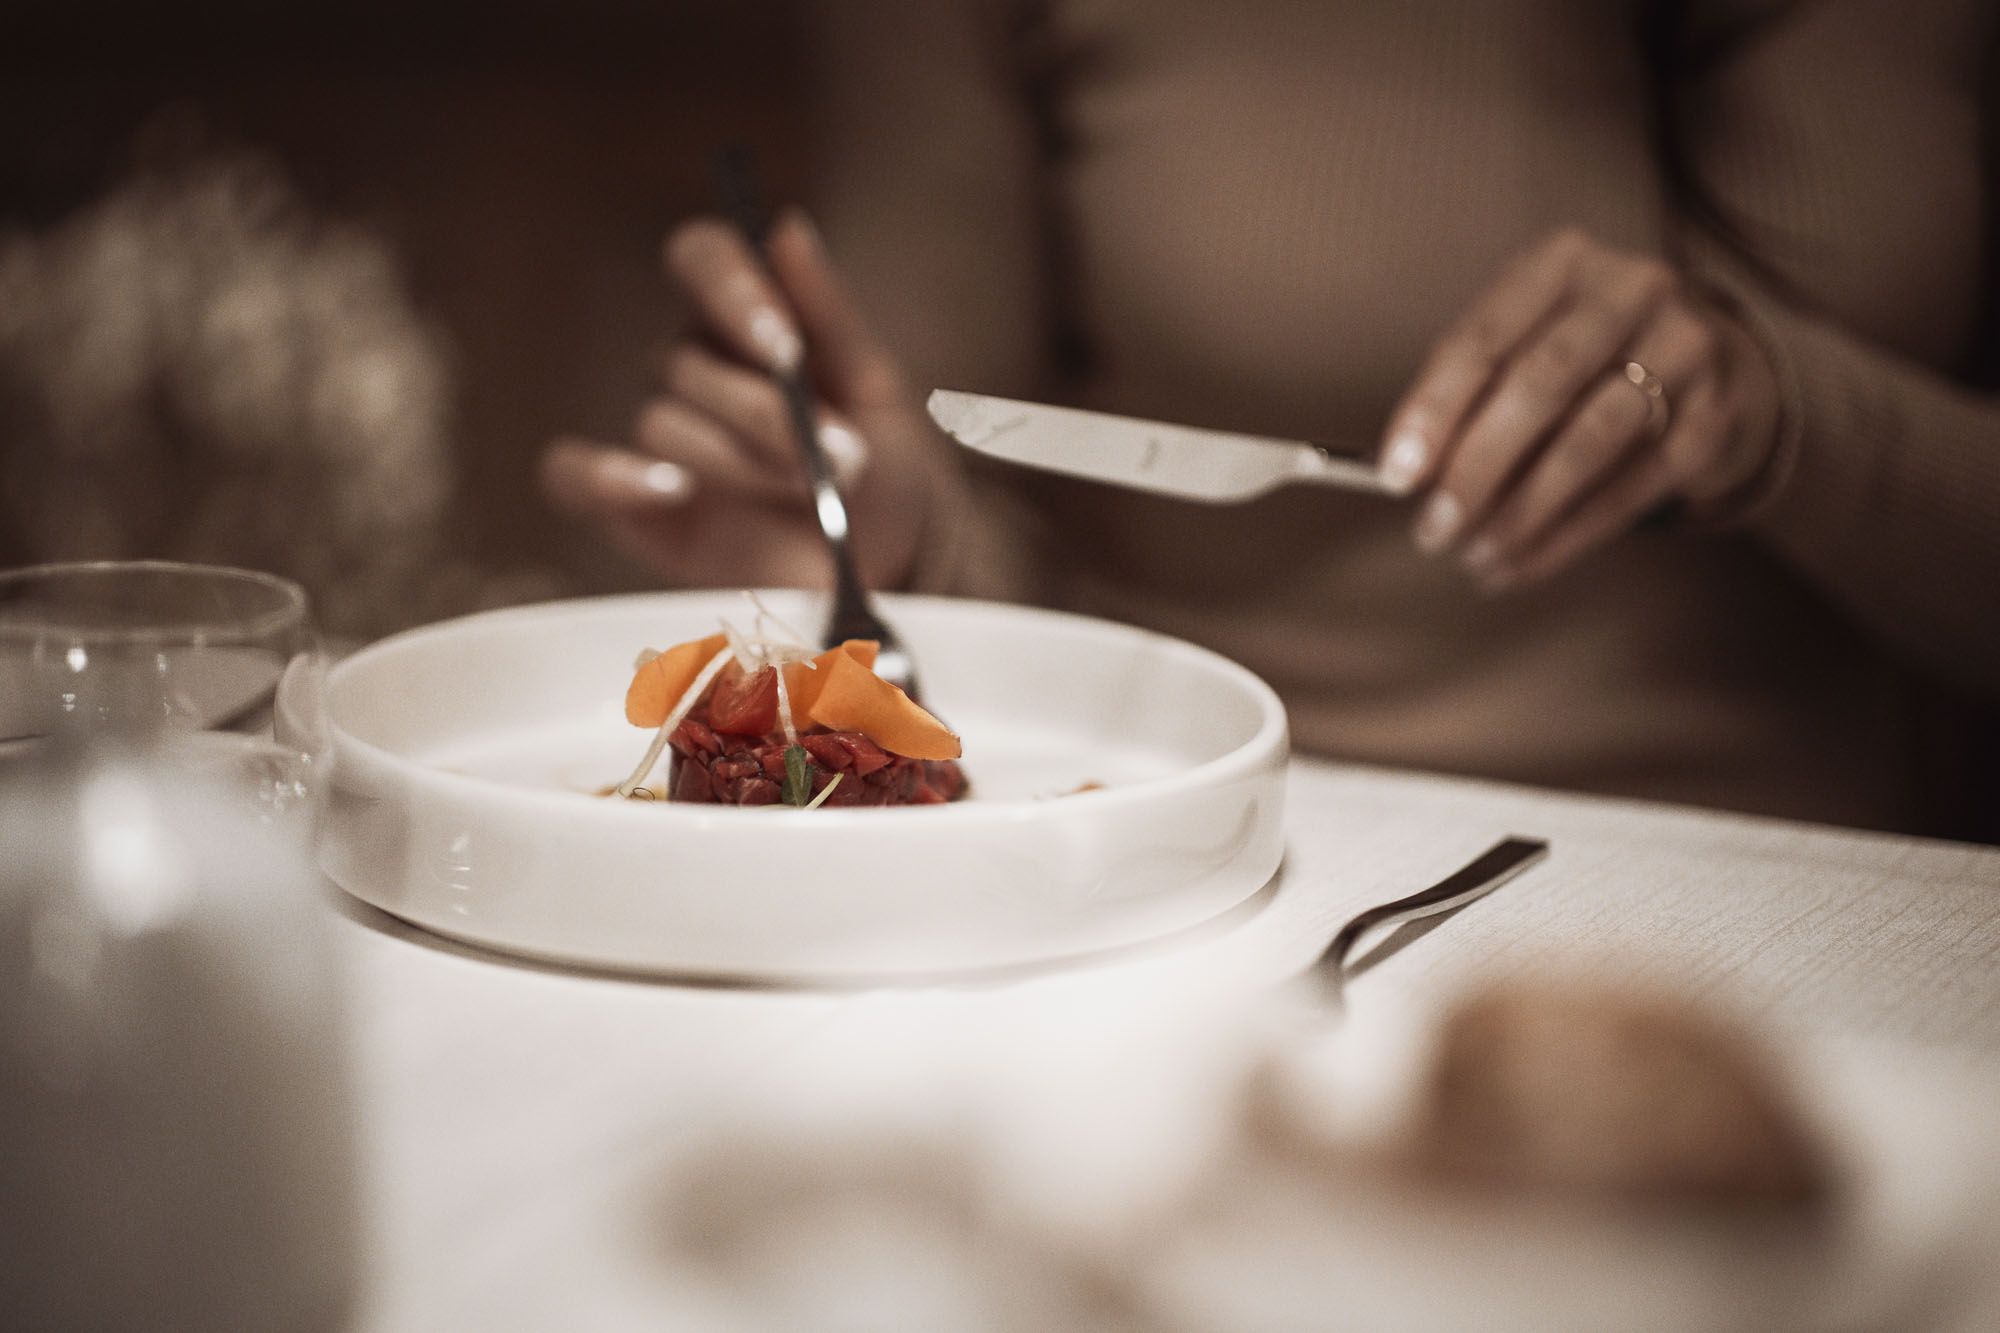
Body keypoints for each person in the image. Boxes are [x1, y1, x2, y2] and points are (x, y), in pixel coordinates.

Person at [543, 0, 2000, 837]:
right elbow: (966, 544)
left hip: (1864, 905)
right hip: (1234, 862)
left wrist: (1794, 422)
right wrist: (892, 537)